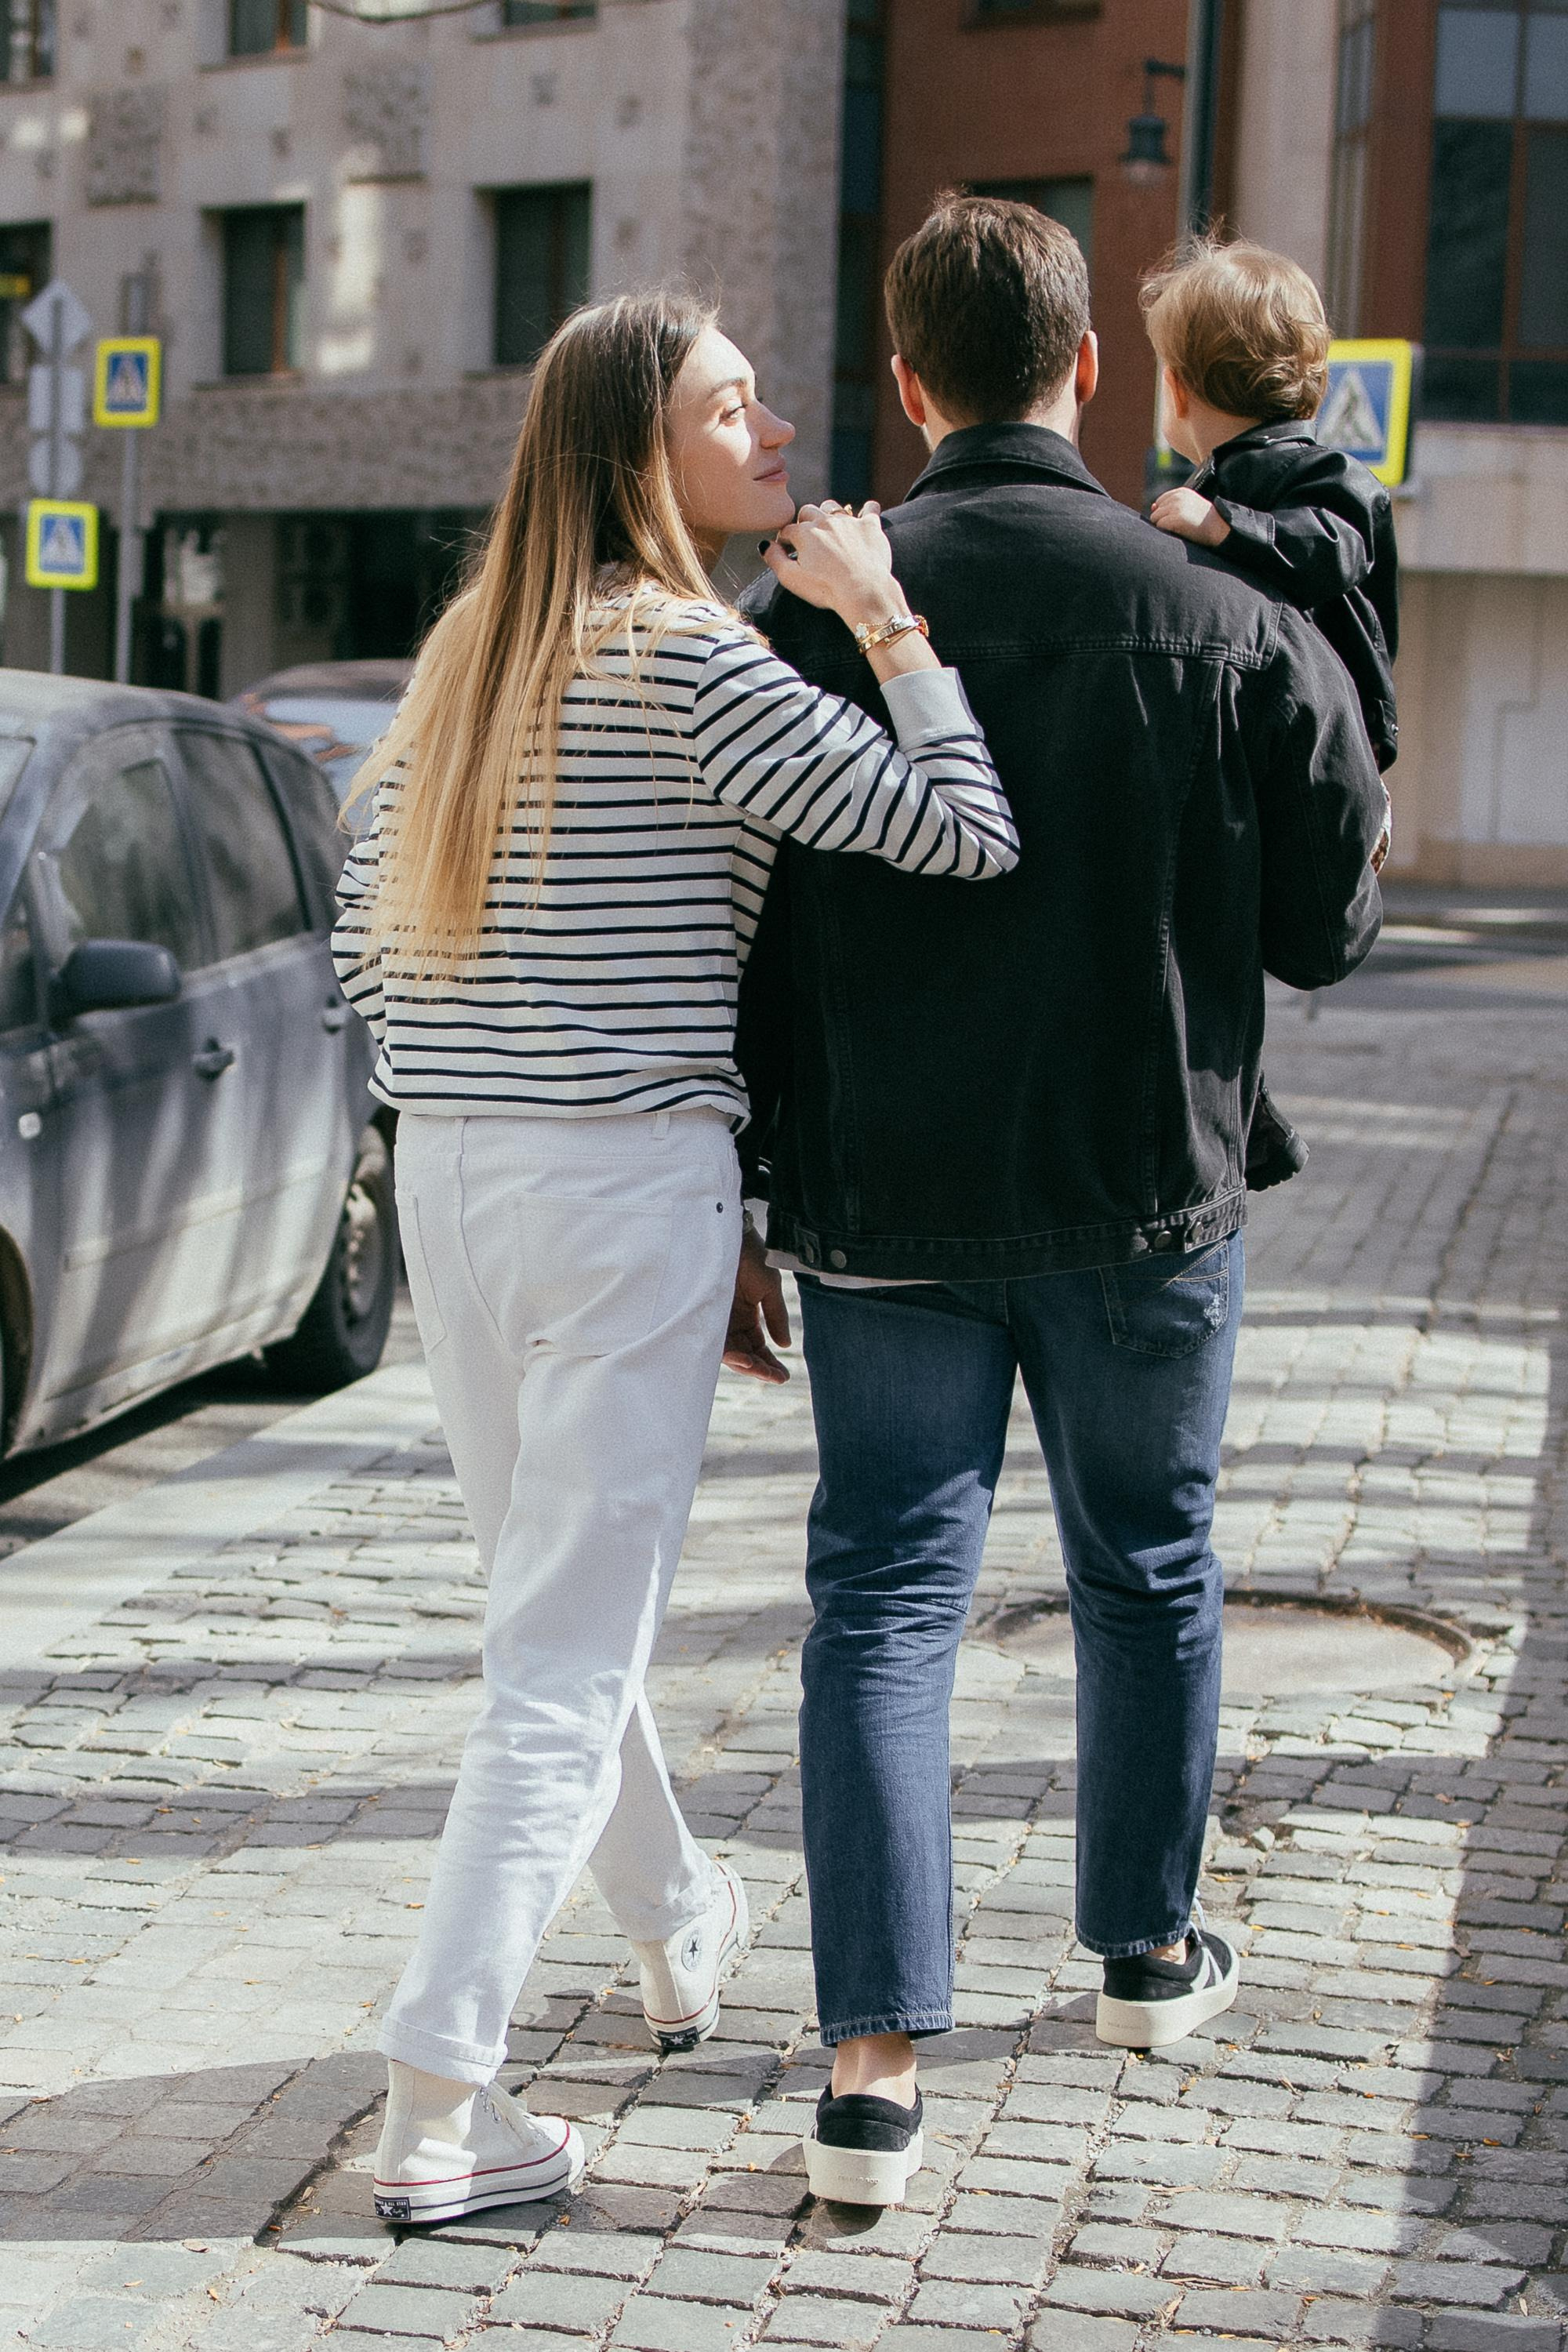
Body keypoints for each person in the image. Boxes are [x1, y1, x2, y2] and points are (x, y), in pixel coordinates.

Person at [330, 291, 1018, 2227]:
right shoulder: (692, 661)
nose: (775, 429)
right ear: (649, 451)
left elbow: (353, 931)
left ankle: (668, 1926)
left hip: (456, 1169)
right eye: (733, 407)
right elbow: (960, 830)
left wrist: (466, 1062)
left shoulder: (474, 652)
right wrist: (887, 618)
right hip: (619, 1180)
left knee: (549, 1610)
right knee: (558, 1652)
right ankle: (439, 2096)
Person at [731, 195, 1388, 2209]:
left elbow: (739, 941)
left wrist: (755, 1189)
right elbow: (1321, 934)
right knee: (1147, 1570)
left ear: (908, 382)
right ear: (1088, 372)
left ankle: (866, 2067)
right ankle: (1139, 1954)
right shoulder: (1222, 614)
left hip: (885, 1212)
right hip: (1138, 1200)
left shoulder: (813, 609)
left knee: (883, 1602)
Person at [1144, 236, 1399, 1192]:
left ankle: (1243, 1118)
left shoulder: (1312, 471)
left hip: (1332, 737)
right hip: (1275, 739)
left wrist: (1223, 529)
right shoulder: (1208, 484)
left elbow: (1329, 550)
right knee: (1219, 947)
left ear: (1179, 383)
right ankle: (1247, 1120)